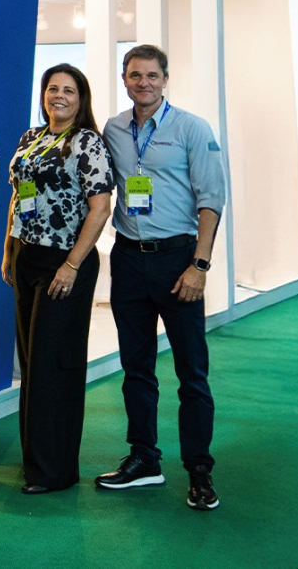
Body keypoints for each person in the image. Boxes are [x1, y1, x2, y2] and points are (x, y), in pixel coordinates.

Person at [95, 44, 226, 511]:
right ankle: (144, 460)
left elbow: (211, 199)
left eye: (152, 75)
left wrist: (200, 265)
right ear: (124, 79)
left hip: (178, 260)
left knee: (191, 373)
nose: (144, 83)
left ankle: (199, 470)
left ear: (165, 79)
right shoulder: (113, 129)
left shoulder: (191, 128)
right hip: (129, 259)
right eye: (135, 75)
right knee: (136, 368)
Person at [1, 63, 114, 495]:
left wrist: (71, 265)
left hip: (65, 262)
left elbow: (100, 208)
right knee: (32, 363)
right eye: (52, 89)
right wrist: (9, 249)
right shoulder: (31, 138)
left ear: (80, 99)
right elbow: (19, 195)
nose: (59, 96)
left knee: (54, 364)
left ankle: (55, 470)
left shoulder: (87, 142)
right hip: (27, 256)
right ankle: (35, 460)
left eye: (68, 90)